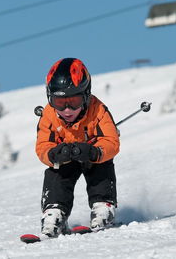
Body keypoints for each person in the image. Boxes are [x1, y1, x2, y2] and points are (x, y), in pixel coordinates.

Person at [35, 58, 120, 238]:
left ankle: (103, 206)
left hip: (91, 156)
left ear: (86, 95)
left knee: (102, 164)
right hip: (66, 159)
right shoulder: (49, 115)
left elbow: (111, 141)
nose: (67, 110)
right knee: (55, 172)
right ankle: (54, 212)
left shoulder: (98, 111)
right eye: (59, 102)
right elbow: (42, 146)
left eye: (73, 101)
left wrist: (95, 152)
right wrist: (54, 154)